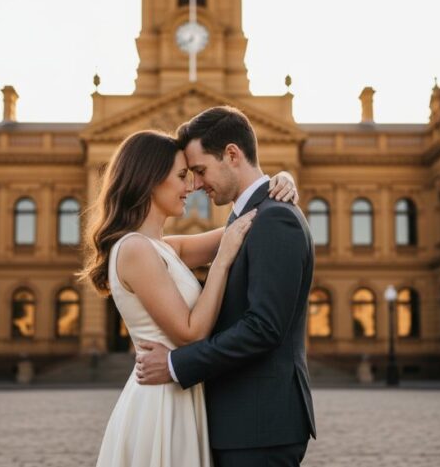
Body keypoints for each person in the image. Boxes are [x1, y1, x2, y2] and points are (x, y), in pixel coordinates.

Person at [80, 129, 298, 467]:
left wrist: (279, 182)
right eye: (182, 176)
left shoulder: (164, 248)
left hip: (181, 392)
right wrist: (222, 260)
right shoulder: (135, 249)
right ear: (150, 180)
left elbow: (249, 221)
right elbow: (190, 332)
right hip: (160, 402)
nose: (192, 187)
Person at [136, 106, 317, 466]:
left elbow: (264, 327)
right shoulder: (249, 218)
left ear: (232, 154)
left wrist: (175, 364)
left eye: (200, 171)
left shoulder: (275, 217)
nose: (197, 185)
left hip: (260, 425)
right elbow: (170, 250)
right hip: (240, 422)